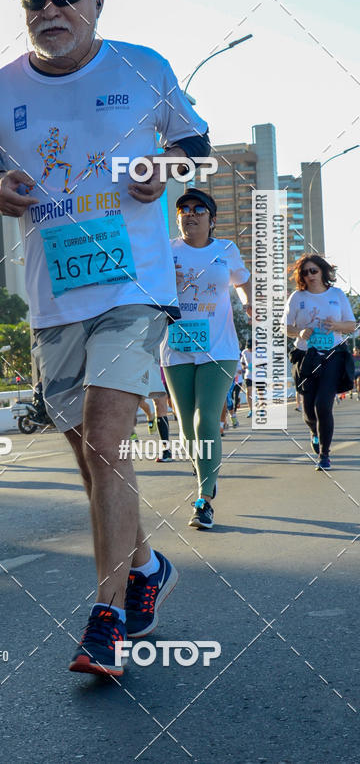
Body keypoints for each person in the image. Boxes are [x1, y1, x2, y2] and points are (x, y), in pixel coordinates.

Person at [0, 0, 211, 676]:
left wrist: (163, 166)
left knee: (108, 439)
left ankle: (103, 620)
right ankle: (147, 568)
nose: (53, 8)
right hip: (54, 294)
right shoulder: (3, 90)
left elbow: (196, 145)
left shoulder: (143, 66)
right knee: (90, 455)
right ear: (24, 7)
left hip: (135, 288)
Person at [160, 188, 252, 530]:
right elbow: (141, 287)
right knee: (186, 428)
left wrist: (248, 303)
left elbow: (242, 281)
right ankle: (206, 477)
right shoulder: (165, 250)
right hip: (177, 345)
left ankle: (204, 500)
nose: (190, 213)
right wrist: (166, 282)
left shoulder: (225, 250)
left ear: (212, 220)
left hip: (219, 346)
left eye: (199, 209)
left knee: (205, 419)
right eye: (184, 208)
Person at [285, 254, 357, 471]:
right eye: (305, 272)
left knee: (323, 405)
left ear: (323, 272)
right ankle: (314, 432)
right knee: (308, 411)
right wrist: (300, 331)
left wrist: (336, 325)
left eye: (313, 270)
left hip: (332, 355)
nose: (310, 275)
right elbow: (284, 327)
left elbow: (352, 325)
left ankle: (325, 455)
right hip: (307, 356)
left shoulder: (336, 295)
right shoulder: (297, 297)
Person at [240, 339, 254, 417]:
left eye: (251, 347)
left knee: (260, 393)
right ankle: (251, 410)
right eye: (248, 347)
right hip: (248, 375)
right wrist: (244, 367)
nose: (249, 349)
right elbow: (242, 362)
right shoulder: (244, 352)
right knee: (249, 392)